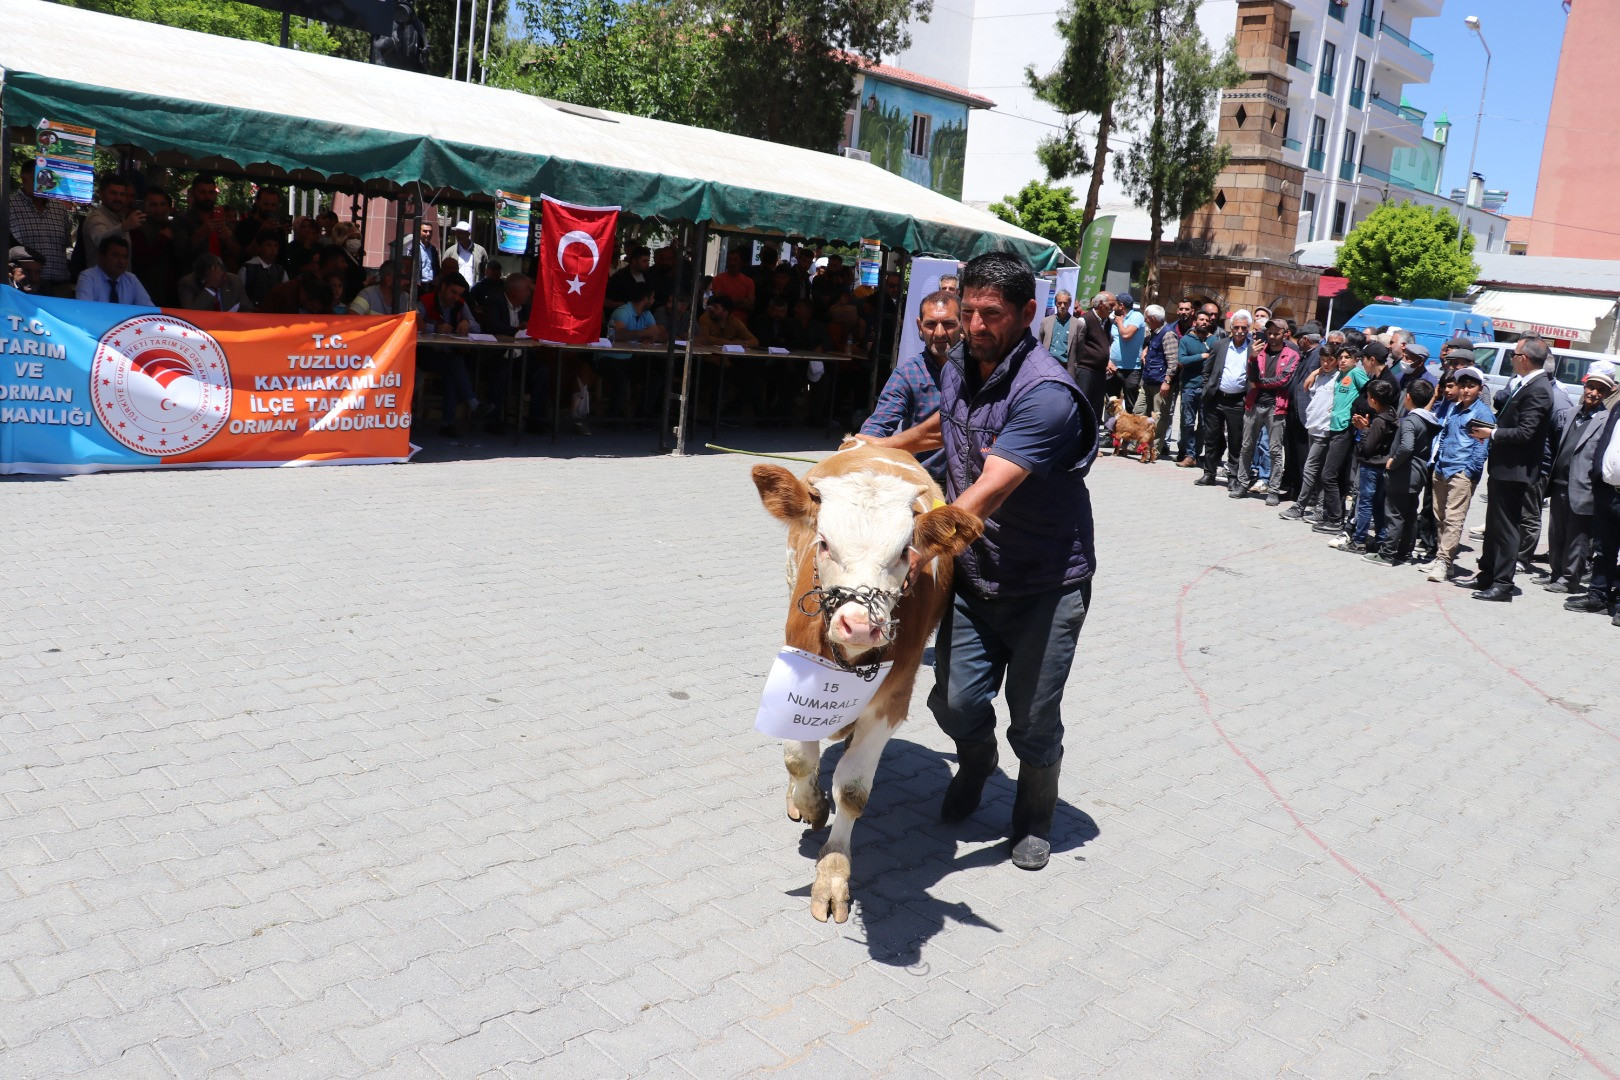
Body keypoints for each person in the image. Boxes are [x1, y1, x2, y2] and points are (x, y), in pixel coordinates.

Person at [866, 251, 1097, 872]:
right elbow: (945, 427)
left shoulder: (1048, 394)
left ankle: (1033, 816)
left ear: (1028, 313)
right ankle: (977, 762)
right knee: (955, 702)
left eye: (990, 315)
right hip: (974, 577)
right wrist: (875, 448)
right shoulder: (959, 367)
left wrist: (910, 551)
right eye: (967, 311)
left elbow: (988, 490)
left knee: (1034, 719)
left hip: (1046, 584)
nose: (973, 326)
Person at [1454, 336, 1559, 602]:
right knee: (1495, 524)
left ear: (1523, 358)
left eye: (1514, 353)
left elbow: (1525, 432)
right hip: (1504, 466)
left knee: (1507, 527)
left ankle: (1503, 583)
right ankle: (1487, 573)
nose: (1512, 358)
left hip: (1517, 469)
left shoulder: (1539, 388)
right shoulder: (1525, 384)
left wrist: (1492, 433)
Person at [861, 290, 959, 484]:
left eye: (948, 324)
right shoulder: (908, 374)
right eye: (930, 324)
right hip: (925, 482)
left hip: (972, 482)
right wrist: (862, 448)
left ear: (962, 324)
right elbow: (879, 425)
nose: (939, 333)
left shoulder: (980, 369)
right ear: (919, 327)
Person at [1540, 363, 1618, 593]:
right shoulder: (1570, 414)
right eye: (1590, 387)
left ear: (1607, 393)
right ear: (1584, 387)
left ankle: (1570, 579)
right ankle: (1556, 574)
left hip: (1585, 487)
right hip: (1560, 482)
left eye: (1599, 390)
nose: (1593, 393)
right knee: (1557, 532)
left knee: (1578, 537)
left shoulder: (1607, 419)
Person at [1423, 366, 1495, 581]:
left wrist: (1469, 471)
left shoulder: (1482, 413)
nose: (1465, 391)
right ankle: (1444, 559)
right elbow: (1445, 434)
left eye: (1470, 387)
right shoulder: (1454, 408)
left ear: (1479, 389)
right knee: (1440, 516)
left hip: (1461, 472)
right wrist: (1439, 461)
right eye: (1462, 386)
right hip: (1443, 468)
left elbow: (1481, 446)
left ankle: (1444, 563)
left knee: (1454, 518)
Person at [1368, 380, 1440, 565]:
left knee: (1394, 514)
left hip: (1404, 473)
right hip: (1418, 473)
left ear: (1408, 396)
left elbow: (1407, 446)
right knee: (1409, 515)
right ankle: (1404, 553)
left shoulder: (1410, 420)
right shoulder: (1428, 419)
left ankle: (1387, 554)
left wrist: (1393, 461)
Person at [1569, 374, 1620, 624]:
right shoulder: (1618, 407)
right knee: (1603, 548)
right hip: (1608, 490)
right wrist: (1598, 474)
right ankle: (1597, 594)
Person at [1236, 318, 1300, 503]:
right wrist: (1253, 358)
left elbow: (1284, 380)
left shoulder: (1291, 354)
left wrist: (1260, 383)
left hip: (1276, 406)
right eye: (1269, 333)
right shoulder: (1259, 351)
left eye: (1276, 333)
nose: (1272, 337)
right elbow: (1251, 376)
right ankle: (1242, 484)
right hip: (1254, 404)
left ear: (1285, 334)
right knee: (1247, 446)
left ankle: (1273, 489)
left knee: (1274, 449)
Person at [1311, 343, 1371, 535]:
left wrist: (1357, 410)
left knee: (1328, 475)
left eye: (1347, 357)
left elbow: (1369, 391)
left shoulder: (1355, 373)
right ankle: (1332, 515)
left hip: (1345, 429)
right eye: (1341, 357)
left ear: (1355, 360)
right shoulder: (1341, 375)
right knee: (1333, 475)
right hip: (1334, 426)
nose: (1343, 360)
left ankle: (1336, 519)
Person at [1332, 379, 1398, 553]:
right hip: (1382, 466)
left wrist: (1363, 430)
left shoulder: (1379, 421)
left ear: (1373, 400)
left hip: (1371, 466)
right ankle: (1381, 539)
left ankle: (1359, 540)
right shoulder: (1391, 414)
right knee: (1377, 503)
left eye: (1368, 396)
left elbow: (1368, 447)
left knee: (1365, 503)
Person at [1281, 341, 1344, 522]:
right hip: (1313, 426)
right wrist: (1316, 372)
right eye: (1323, 360)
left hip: (1324, 430)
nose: (1325, 363)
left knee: (1311, 469)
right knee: (1315, 471)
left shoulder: (1339, 378)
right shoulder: (1320, 376)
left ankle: (1302, 506)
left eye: (1330, 360)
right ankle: (1317, 506)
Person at [1197, 309, 1254, 493]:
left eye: (1243, 328)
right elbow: (1207, 370)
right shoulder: (1220, 345)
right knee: (1212, 437)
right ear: (1231, 328)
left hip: (1238, 400)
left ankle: (1233, 477)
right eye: (1236, 327)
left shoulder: (1253, 347)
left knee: (1236, 441)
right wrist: (1207, 387)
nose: (1239, 331)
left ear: (1248, 329)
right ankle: (1209, 473)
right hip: (1216, 398)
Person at [418, 271, 481, 436]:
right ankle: (472, 403)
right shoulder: (425, 301)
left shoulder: (460, 303)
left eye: (459, 294)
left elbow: (477, 327)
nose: (455, 297)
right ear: (443, 287)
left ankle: (448, 423)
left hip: (448, 355)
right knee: (455, 363)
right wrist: (435, 328)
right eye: (453, 292)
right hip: (425, 355)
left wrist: (467, 322)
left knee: (452, 369)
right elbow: (413, 325)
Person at [7, 159, 75, 294]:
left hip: (59, 288)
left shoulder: (59, 208)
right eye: (38, 177)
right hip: (25, 289)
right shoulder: (8, 205)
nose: (44, 182)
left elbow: (67, 244)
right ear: (23, 178)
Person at [1172, 309, 1214, 467]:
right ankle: (1189, 453)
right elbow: (1182, 359)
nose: (1203, 322)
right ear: (1195, 322)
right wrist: (1202, 357)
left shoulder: (1214, 341)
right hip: (1189, 387)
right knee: (1187, 422)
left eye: (1206, 320)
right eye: (1201, 320)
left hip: (1206, 388)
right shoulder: (1186, 340)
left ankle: (1195, 453)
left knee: (1204, 424)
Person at [127, 187, 182, 307]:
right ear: (145, 206)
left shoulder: (174, 227)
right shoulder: (138, 227)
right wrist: (162, 240)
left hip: (171, 295)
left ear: (168, 206)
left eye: (162, 204)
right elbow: (141, 259)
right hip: (147, 294)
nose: (159, 209)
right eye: (153, 205)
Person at [171, 175, 240, 270]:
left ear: (215, 194)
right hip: (193, 277)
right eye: (202, 192)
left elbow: (237, 253)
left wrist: (228, 239)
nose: (207, 197)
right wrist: (202, 231)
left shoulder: (221, 219)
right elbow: (180, 253)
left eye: (211, 192)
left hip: (219, 278)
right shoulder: (182, 220)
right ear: (193, 193)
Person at [1138, 304, 1178, 457]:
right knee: (1139, 411)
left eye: (1146, 318)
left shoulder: (1168, 334)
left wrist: (1167, 381)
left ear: (1153, 319)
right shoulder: (1154, 333)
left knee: (1158, 417)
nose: (1145, 320)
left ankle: (1154, 448)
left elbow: (1173, 361)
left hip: (1161, 382)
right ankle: (1139, 444)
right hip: (1148, 380)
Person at [74, 236, 152, 305]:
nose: (121, 261)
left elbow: (149, 310)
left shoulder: (131, 279)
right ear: (101, 257)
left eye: (125, 257)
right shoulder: (88, 277)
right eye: (115, 256)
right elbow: (84, 310)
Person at [1068, 292, 1112, 414]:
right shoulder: (1085, 320)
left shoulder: (1108, 322)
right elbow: (1076, 344)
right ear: (1101, 304)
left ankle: (1093, 432)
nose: (1113, 309)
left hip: (1100, 371)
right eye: (1111, 305)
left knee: (1096, 407)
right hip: (1085, 370)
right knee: (1083, 405)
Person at [80, 173, 143, 257]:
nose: (118, 198)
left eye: (122, 194)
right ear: (101, 194)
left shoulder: (122, 218)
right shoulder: (96, 218)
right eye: (113, 193)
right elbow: (101, 240)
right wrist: (124, 227)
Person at [1108, 291, 1145, 410]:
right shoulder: (1112, 319)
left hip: (1131, 369)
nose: (1113, 307)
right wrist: (1108, 361)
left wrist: (1119, 323)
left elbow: (1126, 335)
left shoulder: (1136, 316)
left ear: (1121, 305)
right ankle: (1112, 427)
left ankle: (1131, 427)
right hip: (1113, 368)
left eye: (1115, 304)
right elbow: (1109, 341)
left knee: (1131, 403)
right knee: (1112, 402)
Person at [176, 253, 251, 312]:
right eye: (210, 277)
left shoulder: (234, 280)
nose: (216, 277)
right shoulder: (187, 283)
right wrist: (211, 288)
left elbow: (247, 309)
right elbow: (190, 315)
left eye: (219, 274)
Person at [239, 229, 289, 308]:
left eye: (276, 246)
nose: (273, 249)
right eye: (268, 245)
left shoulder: (280, 271)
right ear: (259, 247)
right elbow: (240, 294)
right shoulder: (247, 269)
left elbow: (285, 294)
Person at [233, 186, 284, 253]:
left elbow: (282, 258)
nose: (269, 208)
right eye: (266, 204)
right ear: (257, 202)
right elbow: (243, 255)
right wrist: (261, 231)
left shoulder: (278, 229)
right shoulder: (243, 226)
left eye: (273, 205)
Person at [710, 247, 757, 316]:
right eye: (729, 259)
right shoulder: (717, 279)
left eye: (735, 260)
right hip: (720, 321)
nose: (732, 263)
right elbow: (720, 302)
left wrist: (728, 304)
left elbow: (751, 306)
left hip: (741, 323)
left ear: (741, 262)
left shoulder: (749, 282)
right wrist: (742, 300)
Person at [606, 245, 652, 310]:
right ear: (634, 261)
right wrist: (615, 305)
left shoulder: (648, 277)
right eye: (644, 261)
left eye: (648, 261)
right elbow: (606, 299)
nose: (647, 264)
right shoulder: (619, 278)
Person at [448, 220, 489, 286]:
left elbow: (486, 272)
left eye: (461, 233)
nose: (458, 235)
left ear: (468, 234)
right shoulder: (450, 252)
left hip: (473, 290)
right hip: (455, 290)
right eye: (457, 233)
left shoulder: (480, 251)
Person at [400, 220, 439, 288]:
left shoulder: (433, 250)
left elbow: (436, 267)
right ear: (419, 232)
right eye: (425, 231)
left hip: (431, 285)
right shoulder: (412, 249)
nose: (428, 234)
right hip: (418, 286)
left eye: (430, 231)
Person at [1039, 289, 1073, 362]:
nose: (1062, 306)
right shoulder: (1045, 321)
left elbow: (1079, 350)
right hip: (1046, 364)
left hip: (1065, 367)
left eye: (1065, 303)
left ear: (1070, 304)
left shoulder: (1078, 324)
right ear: (1055, 303)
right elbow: (1039, 344)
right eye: (1059, 303)